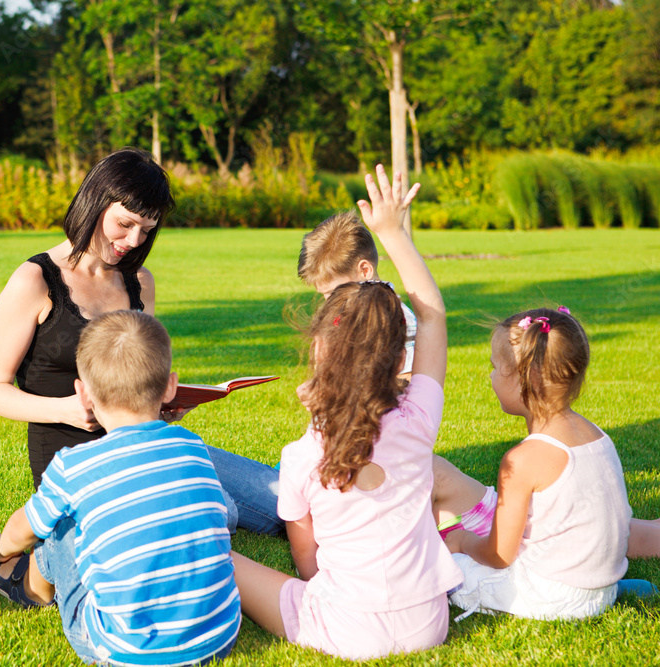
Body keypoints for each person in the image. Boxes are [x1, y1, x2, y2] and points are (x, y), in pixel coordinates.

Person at [0, 147, 281, 534]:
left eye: (147, 231)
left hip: (148, 443)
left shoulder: (139, 282)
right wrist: (67, 410)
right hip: (77, 458)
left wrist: (162, 401)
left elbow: (138, 373)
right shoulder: (34, 281)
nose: (134, 240)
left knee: (284, 503)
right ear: (95, 202)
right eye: (126, 223)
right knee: (191, 520)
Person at [230, 166, 463, 661]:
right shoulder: (419, 420)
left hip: (348, 631)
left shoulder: (301, 456)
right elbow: (434, 314)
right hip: (431, 623)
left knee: (226, 561)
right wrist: (394, 234)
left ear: (319, 355)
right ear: (397, 355)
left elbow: (307, 563)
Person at [0, 310, 240, 666]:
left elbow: (24, 528)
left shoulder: (74, 465)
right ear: (171, 386)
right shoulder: (193, 447)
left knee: (59, 525)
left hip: (124, 650)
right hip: (219, 637)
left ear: (83, 393)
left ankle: (30, 589)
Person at [432, 306, 659, 619]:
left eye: (496, 367)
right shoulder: (597, 436)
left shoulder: (523, 459)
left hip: (549, 598)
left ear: (526, 379)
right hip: (602, 588)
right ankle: (614, 592)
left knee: (444, 566)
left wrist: (463, 540)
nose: (490, 375)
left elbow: (498, 555)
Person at [298, 209, 415, 376]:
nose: (328, 302)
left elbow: (406, 382)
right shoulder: (341, 314)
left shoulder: (396, 318)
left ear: (365, 270)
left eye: (333, 292)